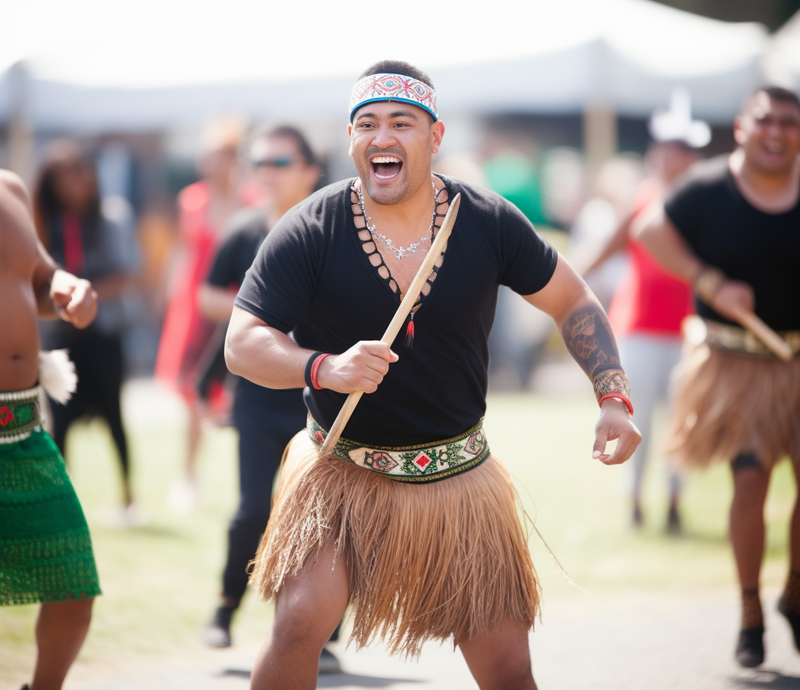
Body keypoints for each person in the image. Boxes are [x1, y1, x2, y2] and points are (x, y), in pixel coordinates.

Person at [224, 60, 641, 690]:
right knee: (300, 621)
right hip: (340, 471)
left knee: (505, 665)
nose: (382, 137)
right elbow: (242, 342)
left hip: (458, 476)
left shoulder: (488, 220)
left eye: (402, 122)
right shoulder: (311, 227)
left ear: (435, 136)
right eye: (367, 124)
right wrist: (324, 367)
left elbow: (573, 301)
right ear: (351, 141)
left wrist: (613, 396)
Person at [635, 86, 800, 668]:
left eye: (789, 122)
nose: (776, 133)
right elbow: (649, 230)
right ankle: (751, 610)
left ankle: (795, 592)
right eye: (765, 121)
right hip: (738, 365)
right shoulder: (707, 187)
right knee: (751, 482)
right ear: (741, 128)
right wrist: (708, 282)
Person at [198, 125, 341, 670]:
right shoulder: (243, 231)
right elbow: (208, 298)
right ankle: (224, 609)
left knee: (328, 516)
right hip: (258, 393)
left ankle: (321, 636)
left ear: (310, 169)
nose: (267, 171)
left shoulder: (342, 229)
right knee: (255, 507)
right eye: (259, 162)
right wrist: (264, 307)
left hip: (325, 391)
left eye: (280, 161)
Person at [0, 168, 101, 690]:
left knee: (71, 583)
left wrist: (63, 287)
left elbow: (35, 278)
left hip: (22, 428)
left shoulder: (9, 188)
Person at [582, 139, 698, 531]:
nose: (672, 157)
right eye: (665, 148)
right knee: (637, 414)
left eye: (681, 149)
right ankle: (634, 500)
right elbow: (603, 250)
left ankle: (675, 500)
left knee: (682, 419)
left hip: (687, 327)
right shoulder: (640, 199)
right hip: (638, 325)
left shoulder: (704, 201)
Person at [33, 140, 140, 519]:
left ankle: (129, 500)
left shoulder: (111, 216)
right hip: (61, 338)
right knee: (59, 424)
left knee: (114, 417)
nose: (72, 184)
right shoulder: (42, 222)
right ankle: (62, 501)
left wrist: (86, 296)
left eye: (78, 174)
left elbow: (126, 272)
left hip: (104, 333)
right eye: (62, 177)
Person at [155, 117, 248, 510]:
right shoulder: (192, 200)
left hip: (237, 301)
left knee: (237, 392)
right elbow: (185, 250)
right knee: (193, 389)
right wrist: (168, 289)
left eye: (221, 155)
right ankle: (188, 475)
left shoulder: (251, 199)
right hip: (196, 303)